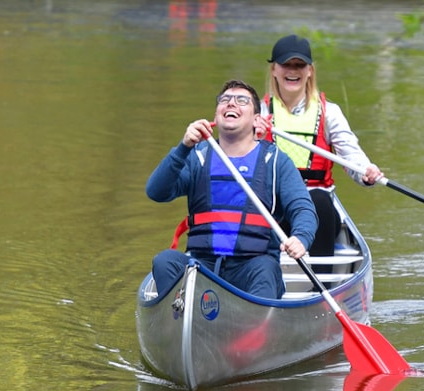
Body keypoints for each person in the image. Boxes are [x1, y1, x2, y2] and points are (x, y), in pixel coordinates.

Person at [146, 79, 318, 299]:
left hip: (253, 266)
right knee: (165, 261)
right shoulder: (197, 156)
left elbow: (303, 209)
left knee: (266, 270)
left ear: (257, 119)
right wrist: (183, 147)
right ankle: (178, 316)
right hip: (203, 264)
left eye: (242, 101)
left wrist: (300, 238)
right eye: (225, 100)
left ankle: (256, 327)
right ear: (216, 116)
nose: (231, 104)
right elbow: (155, 192)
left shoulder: (275, 161)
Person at [256, 34, 384, 262]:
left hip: (318, 210)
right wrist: (251, 135)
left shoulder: (329, 113)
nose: (293, 71)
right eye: (286, 64)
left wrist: (367, 171)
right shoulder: (259, 113)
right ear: (274, 69)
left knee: (319, 200)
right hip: (273, 208)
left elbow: (351, 155)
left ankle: (322, 279)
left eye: (299, 65)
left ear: (310, 71)